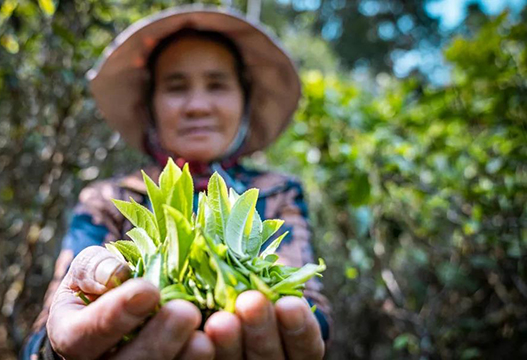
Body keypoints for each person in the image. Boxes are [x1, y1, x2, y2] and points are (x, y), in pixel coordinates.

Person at [22, 5, 331, 359]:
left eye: (217, 84)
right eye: (175, 86)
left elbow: (309, 302)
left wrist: (299, 328)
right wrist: (58, 348)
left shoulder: (277, 193)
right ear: (150, 104)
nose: (197, 106)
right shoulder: (109, 198)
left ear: (244, 100)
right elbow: (50, 322)